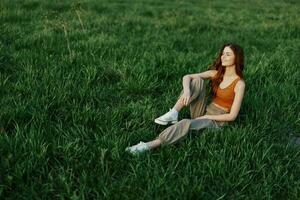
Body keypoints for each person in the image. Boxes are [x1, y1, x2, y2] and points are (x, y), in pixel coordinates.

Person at [126, 43, 246, 155]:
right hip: (204, 112)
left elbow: (232, 116)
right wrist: (187, 92)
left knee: (185, 122)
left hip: (217, 121)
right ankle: (174, 112)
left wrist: (207, 117)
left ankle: (150, 145)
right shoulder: (216, 74)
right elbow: (187, 77)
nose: (223, 57)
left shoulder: (239, 84)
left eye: (228, 54)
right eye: (223, 53)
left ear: (237, 58)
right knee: (197, 81)